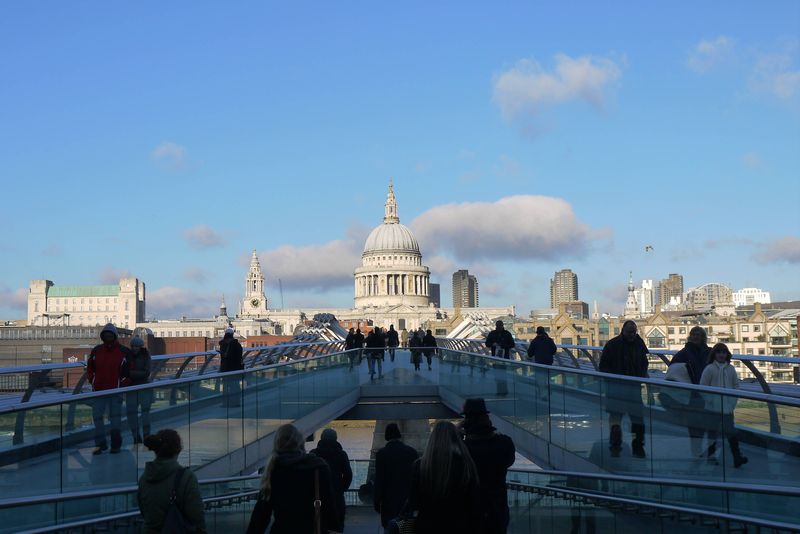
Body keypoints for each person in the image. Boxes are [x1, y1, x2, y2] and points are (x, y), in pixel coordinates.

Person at [247, 424, 340, 534]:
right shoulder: (317, 467)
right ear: (300, 442)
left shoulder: (274, 469)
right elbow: (329, 506)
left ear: (277, 443)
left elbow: (261, 515)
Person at [404, 420, 484, 534]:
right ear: (455, 439)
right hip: (458, 526)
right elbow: (474, 502)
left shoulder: (420, 465)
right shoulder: (465, 464)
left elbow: (413, 502)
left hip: (426, 526)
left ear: (432, 439)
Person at [460, 398, 516, 534]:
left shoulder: (463, 449)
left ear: (467, 422)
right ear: (487, 419)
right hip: (498, 510)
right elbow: (509, 461)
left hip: (470, 512)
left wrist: (457, 431)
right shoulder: (504, 443)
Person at [137, 429, 206, 534]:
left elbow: (143, 511)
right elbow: (197, 515)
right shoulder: (186, 477)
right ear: (177, 450)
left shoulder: (144, 479)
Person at [598, 320, 649, 458]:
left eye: (634, 332)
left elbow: (644, 362)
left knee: (634, 419)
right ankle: (619, 444)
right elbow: (603, 367)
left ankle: (635, 446)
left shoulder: (619, 344)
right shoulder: (615, 344)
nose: (632, 335)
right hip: (620, 388)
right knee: (624, 418)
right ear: (623, 331)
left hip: (628, 388)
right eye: (630, 332)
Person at [700, 343, 748, 468]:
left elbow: (736, 385)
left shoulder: (731, 369)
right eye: (719, 352)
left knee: (731, 433)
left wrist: (732, 402)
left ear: (727, 355)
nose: (721, 355)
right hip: (712, 408)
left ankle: (737, 457)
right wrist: (710, 400)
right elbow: (702, 386)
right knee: (712, 433)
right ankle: (711, 456)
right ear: (714, 354)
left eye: (724, 352)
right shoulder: (709, 369)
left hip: (727, 408)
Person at [87, 323, 132, 454]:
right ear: (103, 336)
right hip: (99, 391)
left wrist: (122, 384)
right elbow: (90, 367)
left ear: (114, 336)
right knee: (97, 418)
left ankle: (115, 445)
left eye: (110, 335)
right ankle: (101, 445)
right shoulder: (96, 350)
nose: (107, 337)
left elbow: (129, 370)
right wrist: (92, 380)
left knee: (115, 419)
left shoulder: (124, 351)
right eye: (105, 335)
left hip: (116, 391)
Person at [669, 326, 711, 457]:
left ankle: (709, 451)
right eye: (693, 334)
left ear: (703, 337)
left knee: (708, 424)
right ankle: (697, 450)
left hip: (707, 393)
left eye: (698, 334)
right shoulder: (684, 353)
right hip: (692, 394)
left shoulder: (710, 352)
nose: (695, 336)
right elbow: (673, 369)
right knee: (694, 425)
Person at [374, 423, 419, 530]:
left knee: (389, 527)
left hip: (388, 500)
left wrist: (377, 501)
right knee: (406, 528)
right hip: (407, 499)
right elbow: (417, 478)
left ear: (386, 436)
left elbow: (379, 480)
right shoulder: (412, 452)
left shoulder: (381, 454)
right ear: (399, 435)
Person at [310, 428, 352, 531]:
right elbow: (348, 475)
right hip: (336, 496)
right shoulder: (341, 454)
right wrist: (341, 489)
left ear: (321, 438)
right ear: (336, 439)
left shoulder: (313, 454)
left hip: (317, 497)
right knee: (337, 527)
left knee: (318, 526)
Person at [126, 336, 153, 444]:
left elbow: (146, 373)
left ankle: (146, 437)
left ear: (140, 347)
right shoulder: (128, 356)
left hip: (142, 388)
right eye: (133, 346)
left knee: (145, 414)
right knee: (132, 414)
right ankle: (136, 437)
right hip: (132, 388)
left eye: (136, 346)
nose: (134, 348)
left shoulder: (146, 356)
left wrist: (130, 374)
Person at [219, 327, 244, 407]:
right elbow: (239, 356)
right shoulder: (238, 345)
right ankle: (236, 402)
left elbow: (227, 357)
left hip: (227, 369)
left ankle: (226, 403)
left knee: (226, 387)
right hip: (236, 369)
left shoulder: (226, 345)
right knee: (235, 386)